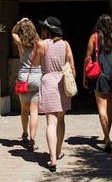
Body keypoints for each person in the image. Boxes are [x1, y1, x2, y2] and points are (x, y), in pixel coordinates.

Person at [36, 16, 75, 172]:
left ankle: (52, 159)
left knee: (50, 123)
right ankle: (58, 152)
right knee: (61, 119)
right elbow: (71, 66)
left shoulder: (42, 44)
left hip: (48, 82)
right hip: (61, 82)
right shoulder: (65, 45)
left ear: (47, 30)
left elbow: (35, 63)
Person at [83, 14, 112, 152]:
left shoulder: (94, 37)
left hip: (101, 75)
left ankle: (107, 138)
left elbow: (88, 58)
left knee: (102, 109)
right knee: (110, 109)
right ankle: (107, 136)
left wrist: (84, 77)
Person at [12, 18, 44, 151]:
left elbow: (13, 32)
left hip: (23, 77)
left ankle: (24, 133)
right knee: (34, 111)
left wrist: (19, 23)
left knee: (24, 109)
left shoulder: (20, 43)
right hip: (37, 76)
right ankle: (32, 139)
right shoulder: (40, 43)